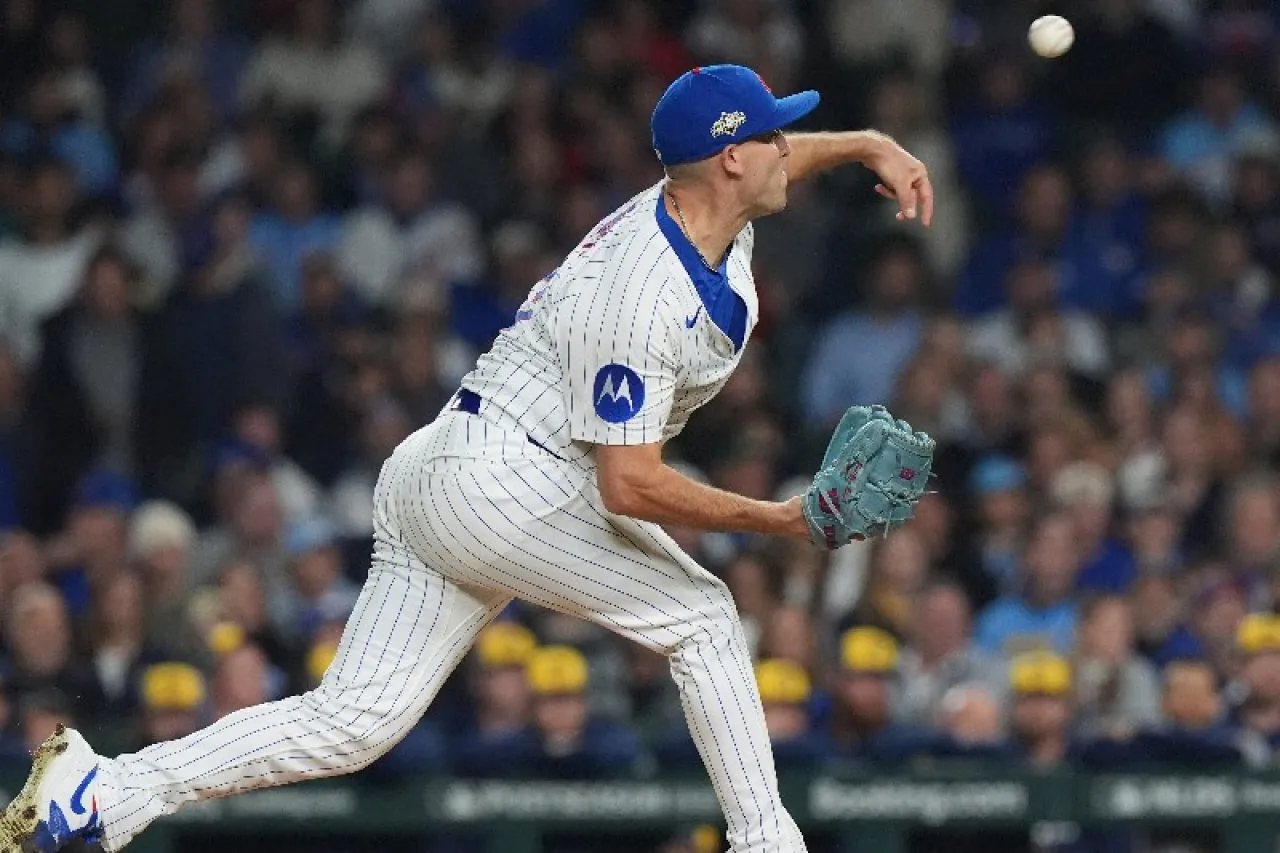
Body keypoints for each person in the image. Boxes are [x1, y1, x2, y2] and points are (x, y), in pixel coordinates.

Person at [3, 64, 932, 853]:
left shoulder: (710, 203)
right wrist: (781, 518)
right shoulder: (642, 294)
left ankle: (106, 791)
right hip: (504, 479)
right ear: (729, 158)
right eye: (771, 134)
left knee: (352, 721)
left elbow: (777, 161)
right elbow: (628, 484)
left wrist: (866, 146)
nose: (785, 146)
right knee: (705, 618)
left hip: (452, 466)